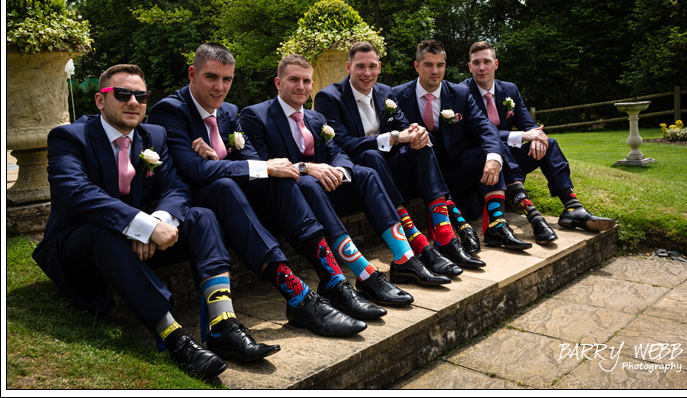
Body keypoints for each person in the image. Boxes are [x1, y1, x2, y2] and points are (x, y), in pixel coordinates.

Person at [33, 64, 281, 380]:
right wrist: (144, 226)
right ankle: (173, 336)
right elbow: (78, 193)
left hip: (138, 239)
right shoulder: (69, 137)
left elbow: (176, 188)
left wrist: (158, 221)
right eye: (122, 94)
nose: (133, 102)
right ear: (100, 100)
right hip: (78, 246)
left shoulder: (154, 135)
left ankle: (223, 325)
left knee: (202, 217)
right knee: (102, 234)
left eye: (141, 95)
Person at [147, 43, 375, 333]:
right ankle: (298, 296)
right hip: (194, 205)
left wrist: (240, 162)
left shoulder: (228, 111)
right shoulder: (170, 110)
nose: (220, 87)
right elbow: (195, 170)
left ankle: (333, 279)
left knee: (282, 180)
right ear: (192, 74)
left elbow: (247, 158)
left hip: (234, 197)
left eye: (227, 79)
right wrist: (258, 166)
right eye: (211, 77)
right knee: (227, 185)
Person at [239, 54, 452, 307]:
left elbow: (338, 152)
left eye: (307, 81)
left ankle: (404, 257)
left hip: (324, 195)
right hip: (287, 204)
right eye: (293, 80)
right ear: (277, 82)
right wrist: (307, 168)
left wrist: (340, 170)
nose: (301, 87)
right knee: (307, 183)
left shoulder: (316, 119)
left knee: (366, 174)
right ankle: (364, 272)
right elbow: (260, 164)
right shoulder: (255, 115)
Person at [314, 41, 483, 271]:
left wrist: (417, 133)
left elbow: (404, 126)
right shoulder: (329, 97)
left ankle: (445, 237)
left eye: (372, 66)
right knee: (372, 156)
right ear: (348, 67)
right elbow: (342, 144)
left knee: (422, 145)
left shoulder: (385, 91)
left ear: (379, 67)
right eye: (360, 67)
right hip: (360, 178)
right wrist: (392, 137)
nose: (367, 73)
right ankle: (418, 241)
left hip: (392, 172)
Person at [463, 41, 615, 238]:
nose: (481, 67)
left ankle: (572, 207)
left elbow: (528, 123)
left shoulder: (509, 90)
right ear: (469, 67)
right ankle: (531, 213)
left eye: (486, 61)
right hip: (481, 162)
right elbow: (477, 134)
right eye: (476, 63)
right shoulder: (462, 93)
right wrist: (522, 136)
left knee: (548, 143)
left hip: (508, 159)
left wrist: (535, 136)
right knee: (499, 145)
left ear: (496, 64)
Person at [392, 39, 532, 250]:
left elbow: (485, 128)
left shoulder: (460, 93)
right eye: (428, 65)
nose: (435, 71)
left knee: (488, 154)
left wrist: (494, 158)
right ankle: (459, 227)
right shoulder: (396, 96)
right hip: (416, 175)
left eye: (440, 65)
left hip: (452, 168)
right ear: (416, 66)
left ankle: (496, 225)